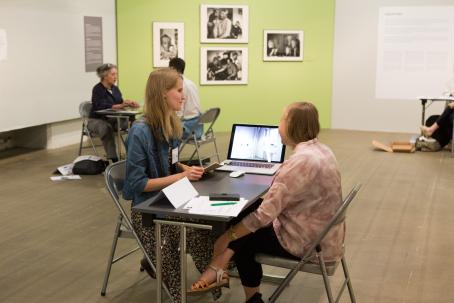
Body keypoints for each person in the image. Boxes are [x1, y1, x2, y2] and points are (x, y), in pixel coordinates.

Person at [189, 102, 344, 303]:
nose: (278, 124)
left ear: (292, 125)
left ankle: (231, 278)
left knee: (245, 234)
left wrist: (227, 236)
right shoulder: (322, 151)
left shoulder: (299, 163)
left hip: (308, 244)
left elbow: (263, 216)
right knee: (249, 210)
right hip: (325, 236)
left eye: (282, 119)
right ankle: (220, 266)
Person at [123, 68, 220, 303]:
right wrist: (180, 178)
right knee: (186, 233)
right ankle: (177, 289)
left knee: (208, 223)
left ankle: (213, 277)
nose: (183, 97)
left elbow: (173, 163)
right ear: (163, 94)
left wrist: (186, 170)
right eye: (179, 91)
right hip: (148, 209)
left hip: (171, 199)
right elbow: (137, 184)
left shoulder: (171, 124)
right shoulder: (140, 132)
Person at [88, 63, 139, 163]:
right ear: (105, 76)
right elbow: (100, 106)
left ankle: (134, 154)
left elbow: (120, 103)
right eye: (113, 74)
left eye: (116, 74)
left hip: (113, 118)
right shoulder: (97, 89)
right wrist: (120, 106)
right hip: (97, 120)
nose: (115, 77)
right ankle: (113, 159)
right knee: (106, 128)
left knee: (135, 124)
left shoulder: (115, 89)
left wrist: (129, 104)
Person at [169, 58, 203, 139]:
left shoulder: (181, 85)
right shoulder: (191, 83)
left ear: (173, 69)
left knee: (162, 128)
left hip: (189, 128)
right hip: (198, 126)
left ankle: (169, 151)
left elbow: (179, 113)